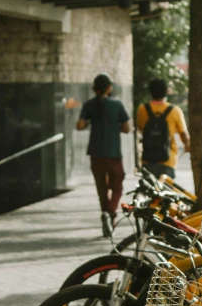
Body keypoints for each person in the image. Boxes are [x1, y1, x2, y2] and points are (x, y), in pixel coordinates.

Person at [76, 73, 131, 238]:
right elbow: (127, 128)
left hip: (96, 152)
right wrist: (115, 127)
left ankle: (107, 217)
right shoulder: (117, 104)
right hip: (113, 152)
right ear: (108, 88)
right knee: (118, 186)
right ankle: (110, 213)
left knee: (102, 188)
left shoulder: (89, 105)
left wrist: (89, 122)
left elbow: (79, 126)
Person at [135, 78, 190, 180]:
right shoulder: (175, 111)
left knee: (150, 192)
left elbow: (140, 128)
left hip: (148, 159)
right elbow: (184, 135)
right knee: (165, 193)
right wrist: (187, 146)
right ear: (166, 91)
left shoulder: (142, 109)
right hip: (168, 160)